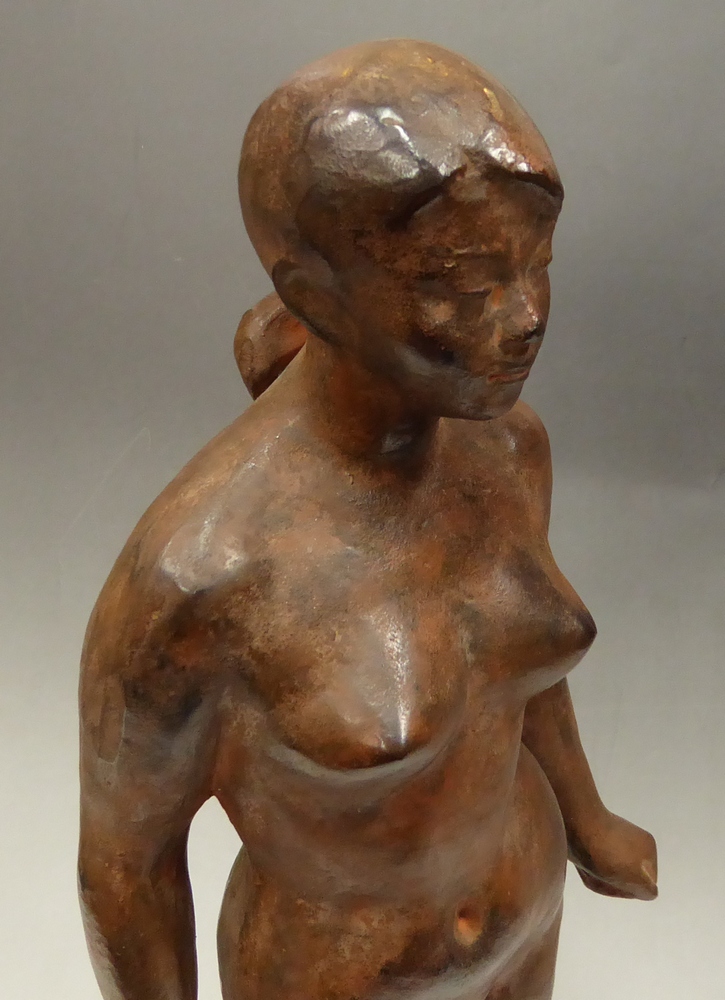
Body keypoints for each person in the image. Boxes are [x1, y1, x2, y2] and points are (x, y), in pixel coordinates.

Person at [78, 39, 657, 1000]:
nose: (525, 315)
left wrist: (587, 820)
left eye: (537, 263)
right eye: (463, 286)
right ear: (313, 296)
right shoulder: (199, 574)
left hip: (526, 920)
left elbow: (517, 673)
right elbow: (124, 868)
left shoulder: (507, 450)